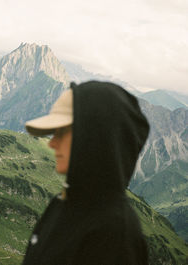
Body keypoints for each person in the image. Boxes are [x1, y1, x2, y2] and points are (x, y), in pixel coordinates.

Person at [22, 81, 150, 265]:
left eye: (62, 131)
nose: (52, 142)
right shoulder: (65, 202)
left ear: (93, 137)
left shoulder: (114, 233)